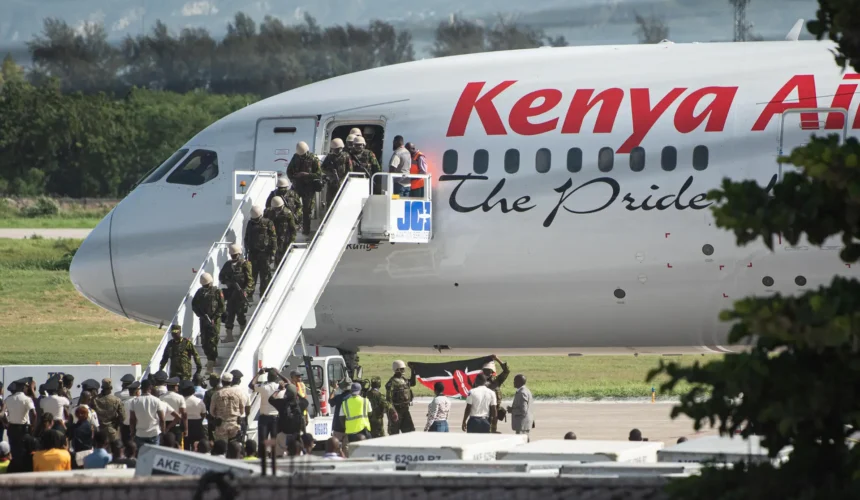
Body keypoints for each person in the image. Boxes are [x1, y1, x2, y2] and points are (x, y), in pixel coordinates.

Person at [219, 243, 254, 343]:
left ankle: (243, 330)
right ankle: (229, 335)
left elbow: (250, 280)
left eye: (234, 254)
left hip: (240, 293)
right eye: (232, 255)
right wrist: (228, 282)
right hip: (231, 293)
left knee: (241, 314)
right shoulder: (227, 265)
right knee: (229, 314)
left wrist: (246, 291)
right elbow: (221, 277)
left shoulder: (245, 264)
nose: (233, 256)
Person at [286, 141, 323, 236]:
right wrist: (293, 178)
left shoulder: (313, 159)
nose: (301, 156)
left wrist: (306, 175)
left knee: (307, 210)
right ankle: (295, 228)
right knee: (292, 206)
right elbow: (289, 171)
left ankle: (306, 230)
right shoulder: (295, 157)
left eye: (303, 155)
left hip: (309, 189)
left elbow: (319, 174)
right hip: (297, 186)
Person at [192, 272, 226, 374]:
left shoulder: (217, 292)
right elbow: (194, 305)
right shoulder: (200, 292)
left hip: (214, 321)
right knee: (204, 342)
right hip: (203, 320)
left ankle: (211, 361)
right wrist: (201, 315)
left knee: (212, 340)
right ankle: (210, 358)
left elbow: (221, 307)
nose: (205, 286)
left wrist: (214, 318)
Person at [244, 204, 277, 298]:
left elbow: (273, 238)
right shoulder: (250, 224)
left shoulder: (268, 223)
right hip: (253, 254)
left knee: (265, 276)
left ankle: (263, 294)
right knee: (252, 275)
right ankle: (250, 295)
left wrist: (273, 253)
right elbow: (247, 238)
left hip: (264, 254)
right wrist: (247, 251)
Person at [268, 375, 304, 456]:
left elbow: (271, 399)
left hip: (283, 435)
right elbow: (304, 399)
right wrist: (295, 391)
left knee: (279, 456)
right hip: (296, 435)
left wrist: (279, 389)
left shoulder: (282, 403)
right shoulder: (301, 404)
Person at [5, 379, 37, 464]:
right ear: (23, 388)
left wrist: (6, 423)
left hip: (12, 428)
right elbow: (34, 413)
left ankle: (15, 467)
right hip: (23, 428)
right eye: (26, 387)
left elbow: (3, 414)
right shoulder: (27, 399)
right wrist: (33, 425)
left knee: (14, 451)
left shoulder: (9, 399)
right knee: (24, 451)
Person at [251, 368, 281, 457]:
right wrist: (278, 373)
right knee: (275, 441)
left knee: (262, 441)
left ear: (268, 377)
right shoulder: (279, 387)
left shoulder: (264, 387)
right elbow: (288, 382)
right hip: (275, 418)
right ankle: (274, 458)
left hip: (264, 418)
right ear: (276, 378)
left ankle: (262, 459)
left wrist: (258, 374)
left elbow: (251, 385)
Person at [130, 379, 166, 450]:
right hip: (154, 433)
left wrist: (132, 432)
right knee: (154, 457)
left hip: (140, 434)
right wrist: (163, 432)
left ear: (141, 388)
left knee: (141, 457)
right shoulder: (156, 400)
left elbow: (132, 419)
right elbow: (162, 419)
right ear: (150, 387)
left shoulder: (134, 401)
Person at [210, 372, 244, 443]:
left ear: (222, 382)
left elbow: (212, 411)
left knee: (222, 447)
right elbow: (242, 410)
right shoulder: (238, 393)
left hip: (221, 424)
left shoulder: (217, 394)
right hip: (234, 424)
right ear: (231, 381)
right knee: (234, 447)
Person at [322, 138, 353, 210]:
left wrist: (343, 179)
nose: (336, 151)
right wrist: (330, 174)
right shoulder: (329, 157)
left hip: (343, 182)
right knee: (330, 201)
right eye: (334, 149)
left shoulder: (346, 156)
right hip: (332, 183)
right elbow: (323, 168)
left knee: (343, 201)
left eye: (338, 149)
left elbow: (350, 169)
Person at [265, 196, 297, 265]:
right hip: (272, 239)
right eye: (275, 209)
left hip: (283, 239)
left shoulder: (287, 213)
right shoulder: (268, 212)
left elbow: (293, 229)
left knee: (283, 259)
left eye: (279, 208)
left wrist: (292, 242)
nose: (277, 211)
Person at [92, 378, 125, 444]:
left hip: (99, 430)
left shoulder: (95, 399)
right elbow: (123, 417)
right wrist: (116, 424)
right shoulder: (116, 400)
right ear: (111, 388)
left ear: (102, 387)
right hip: (111, 429)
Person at [385, 360, 414, 435]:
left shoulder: (404, 380)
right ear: (396, 369)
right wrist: (393, 412)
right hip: (396, 411)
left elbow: (413, 382)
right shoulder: (392, 382)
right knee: (394, 433)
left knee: (410, 432)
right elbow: (388, 399)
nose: (403, 370)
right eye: (401, 369)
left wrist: (413, 369)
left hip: (405, 410)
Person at [483, 355, 510, 433]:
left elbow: (506, 371)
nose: (487, 372)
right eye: (485, 370)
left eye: (489, 370)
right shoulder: (480, 381)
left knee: (493, 430)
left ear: (492, 371)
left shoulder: (497, 381)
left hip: (496, 410)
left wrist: (497, 359)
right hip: (485, 411)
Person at [160, 377, 187, 446]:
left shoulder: (161, 397)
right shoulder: (180, 397)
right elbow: (183, 414)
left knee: (165, 446)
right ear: (175, 386)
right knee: (177, 445)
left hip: (164, 424)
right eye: (177, 386)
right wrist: (186, 428)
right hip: (176, 425)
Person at [329, 380, 351, 456]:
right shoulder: (353, 398)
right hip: (350, 426)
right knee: (347, 448)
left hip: (338, 426)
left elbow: (330, 401)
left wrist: (334, 389)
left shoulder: (339, 398)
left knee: (337, 447)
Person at [182, 380, 206, 452]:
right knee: (197, 446)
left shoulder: (181, 401)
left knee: (186, 445)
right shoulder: (199, 401)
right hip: (197, 424)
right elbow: (203, 413)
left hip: (184, 424)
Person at [121, 381, 140, 445]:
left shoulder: (123, 402)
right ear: (137, 392)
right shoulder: (138, 402)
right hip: (136, 428)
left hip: (125, 428)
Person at [204, 373, 221, 443]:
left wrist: (207, 416)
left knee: (212, 440)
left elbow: (205, 406)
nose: (210, 382)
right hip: (223, 418)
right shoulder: (224, 391)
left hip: (212, 420)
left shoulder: (208, 393)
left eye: (211, 380)